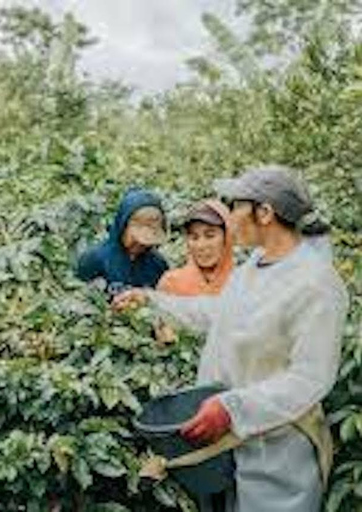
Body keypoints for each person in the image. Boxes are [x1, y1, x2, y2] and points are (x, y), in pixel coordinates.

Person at [114, 166, 349, 512]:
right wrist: (153, 302)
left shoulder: (316, 284)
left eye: (237, 206)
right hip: (233, 446)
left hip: (278, 455)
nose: (231, 216)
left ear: (265, 213)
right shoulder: (256, 264)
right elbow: (219, 313)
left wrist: (233, 408)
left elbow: (309, 378)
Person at [76, 188, 169, 298]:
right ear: (122, 227)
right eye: (135, 239)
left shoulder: (157, 265)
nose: (139, 244)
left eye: (146, 241)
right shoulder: (95, 259)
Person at [157, 200, 234, 296]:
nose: (201, 245)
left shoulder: (244, 284)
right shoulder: (171, 283)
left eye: (210, 236)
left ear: (227, 237)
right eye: (194, 237)